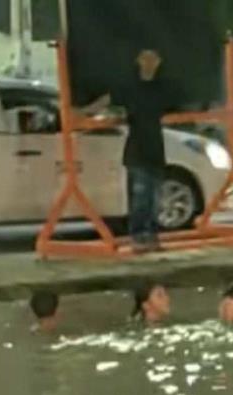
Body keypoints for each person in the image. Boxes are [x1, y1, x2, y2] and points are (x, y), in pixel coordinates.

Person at [86, 49, 178, 252]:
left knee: (154, 199)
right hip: (137, 150)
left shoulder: (161, 88)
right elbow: (108, 99)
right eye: (145, 58)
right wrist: (87, 112)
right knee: (140, 197)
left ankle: (152, 236)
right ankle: (138, 236)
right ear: (138, 61)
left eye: (153, 58)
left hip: (155, 149)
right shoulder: (130, 88)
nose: (149, 63)